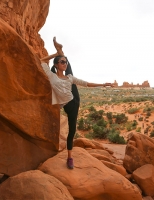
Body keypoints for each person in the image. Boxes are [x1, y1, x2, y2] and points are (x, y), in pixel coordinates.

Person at [40, 37, 114, 169]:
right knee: (69, 74)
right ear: (56, 64)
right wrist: (56, 55)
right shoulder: (51, 76)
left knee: (72, 130)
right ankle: (60, 50)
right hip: (64, 104)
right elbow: (42, 61)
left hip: (74, 102)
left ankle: (70, 157)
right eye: (62, 62)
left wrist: (103, 84)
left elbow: (86, 83)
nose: (65, 64)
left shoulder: (69, 77)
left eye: (65, 62)